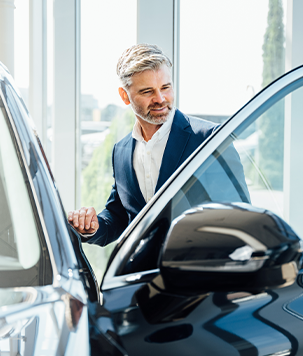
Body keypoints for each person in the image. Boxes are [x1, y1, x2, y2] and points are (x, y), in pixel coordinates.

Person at [68, 43, 249, 247]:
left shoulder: (210, 139)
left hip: (201, 275)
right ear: (124, 95)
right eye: (147, 92)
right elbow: (119, 216)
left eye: (165, 87)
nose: (160, 99)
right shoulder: (121, 150)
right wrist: (93, 227)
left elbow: (239, 218)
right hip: (145, 276)